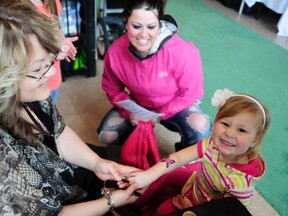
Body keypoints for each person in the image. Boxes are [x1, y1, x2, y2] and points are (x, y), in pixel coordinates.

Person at [0, 1, 141, 215]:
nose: (49, 73)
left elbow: (58, 131)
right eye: (38, 68)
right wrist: (110, 202)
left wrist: (96, 163)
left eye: (50, 61)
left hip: (65, 181)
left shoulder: (32, 95)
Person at [127, 88, 271, 215]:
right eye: (225, 124)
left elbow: (223, 212)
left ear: (255, 139)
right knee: (166, 173)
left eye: (241, 130)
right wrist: (148, 174)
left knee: (162, 211)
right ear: (215, 121)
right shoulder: (213, 144)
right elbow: (178, 158)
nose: (229, 133)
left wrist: (190, 211)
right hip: (196, 184)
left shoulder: (240, 186)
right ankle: (132, 205)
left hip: (203, 209)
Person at [97, 0, 211, 151]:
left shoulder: (182, 52)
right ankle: (139, 138)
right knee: (107, 135)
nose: (144, 34)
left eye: (151, 27)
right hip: (139, 105)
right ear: (125, 22)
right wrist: (130, 114)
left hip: (176, 105)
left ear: (160, 23)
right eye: (136, 26)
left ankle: (184, 155)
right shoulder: (115, 52)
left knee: (200, 126)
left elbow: (192, 93)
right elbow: (112, 89)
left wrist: (159, 115)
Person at [30, 0, 78, 102]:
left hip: (53, 77)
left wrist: (63, 42)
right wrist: (52, 52)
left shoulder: (52, 2)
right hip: (32, 84)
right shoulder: (14, 9)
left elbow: (57, 29)